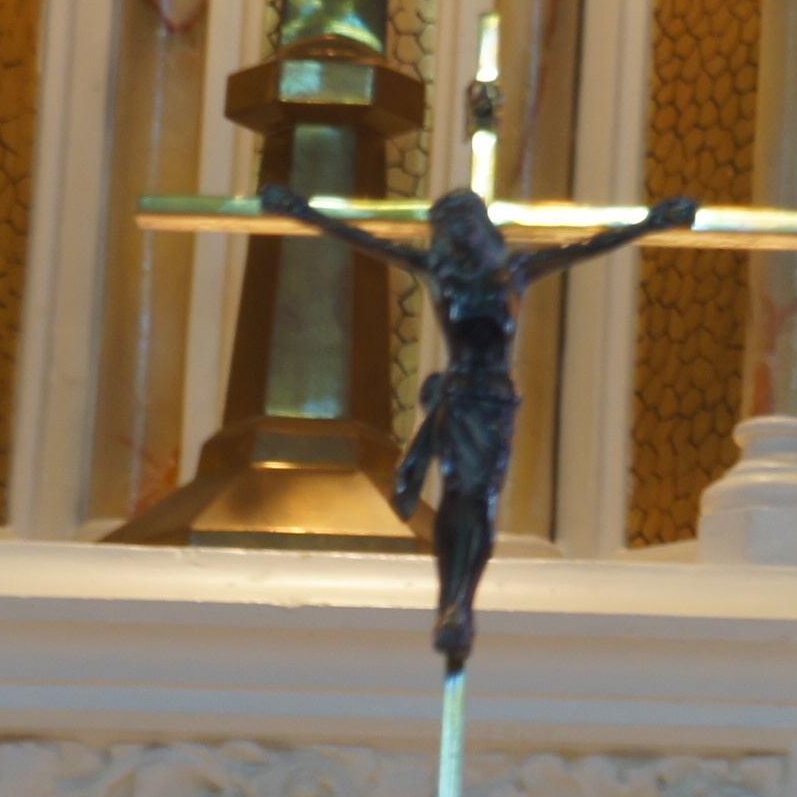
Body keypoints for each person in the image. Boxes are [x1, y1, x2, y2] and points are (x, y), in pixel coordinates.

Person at [259, 185, 699, 669]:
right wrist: (303, 212)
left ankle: (461, 603)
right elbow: (363, 240)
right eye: (450, 228)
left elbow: (590, 246)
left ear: (482, 226)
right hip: (460, 397)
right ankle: (451, 604)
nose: (459, 236)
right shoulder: (436, 271)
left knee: (480, 500)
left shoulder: (516, 271)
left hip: (495, 404)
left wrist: (652, 223)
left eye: (465, 224)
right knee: (457, 494)